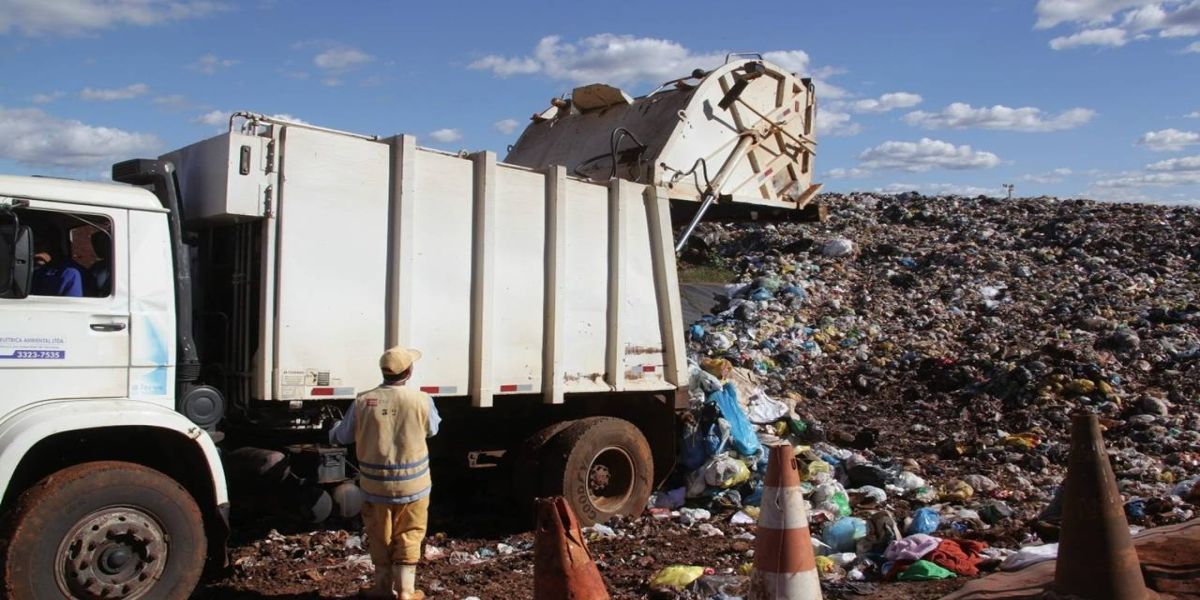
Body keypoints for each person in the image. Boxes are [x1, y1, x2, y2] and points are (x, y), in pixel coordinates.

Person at [329, 347, 440, 600]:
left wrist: (332, 429)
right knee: (410, 533)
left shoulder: (363, 400)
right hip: (414, 487)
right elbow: (432, 430)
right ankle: (406, 592)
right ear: (409, 372)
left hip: (374, 488)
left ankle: (381, 589)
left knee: (379, 535)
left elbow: (342, 436)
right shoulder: (422, 399)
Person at [87, 230, 112, 297]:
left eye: (101, 244)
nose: (96, 249)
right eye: (94, 245)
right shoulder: (96, 267)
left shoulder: (123, 267)